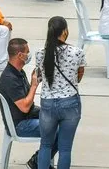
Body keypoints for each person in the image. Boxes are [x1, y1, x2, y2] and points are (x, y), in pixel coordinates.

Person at [35, 17, 85, 169]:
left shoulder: (40, 53)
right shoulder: (77, 52)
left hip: (48, 103)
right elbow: (79, 76)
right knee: (65, 148)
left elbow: (39, 76)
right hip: (70, 102)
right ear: (64, 31)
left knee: (45, 145)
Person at [0, 38, 42, 169]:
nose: (29, 55)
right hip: (20, 125)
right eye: (27, 52)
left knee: (57, 116)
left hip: (28, 115)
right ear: (20, 55)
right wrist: (34, 86)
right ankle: (38, 161)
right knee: (55, 128)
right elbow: (24, 107)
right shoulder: (9, 79)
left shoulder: (19, 72)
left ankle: (42, 160)